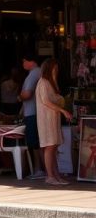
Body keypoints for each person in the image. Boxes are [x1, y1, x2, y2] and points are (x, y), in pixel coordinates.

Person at [36, 58, 73, 186]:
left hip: (53, 119)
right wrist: (63, 111)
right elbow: (46, 101)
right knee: (50, 146)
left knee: (54, 146)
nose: (56, 71)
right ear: (49, 68)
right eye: (54, 68)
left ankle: (56, 175)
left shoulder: (51, 82)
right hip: (46, 120)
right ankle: (50, 176)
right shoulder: (43, 82)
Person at [19, 52, 45, 179]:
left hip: (32, 112)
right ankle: (41, 169)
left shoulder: (34, 73)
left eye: (24, 61)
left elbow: (27, 94)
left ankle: (38, 169)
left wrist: (19, 96)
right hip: (37, 111)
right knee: (38, 141)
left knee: (34, 142)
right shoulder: (39, 72)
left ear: (31, 61)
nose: (23, 64)